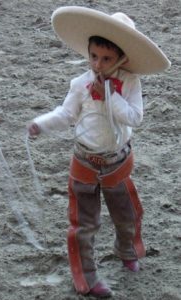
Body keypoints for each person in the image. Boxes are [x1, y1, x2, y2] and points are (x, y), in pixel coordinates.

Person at [27, 6, 170, 298]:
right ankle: (88, 277)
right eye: (93, 56)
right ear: (88, 52)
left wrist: (111, 95)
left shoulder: (130, 82)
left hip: (117, 160)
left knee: (127, 213)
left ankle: (126, 250)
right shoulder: (80, 84)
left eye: (106, 58)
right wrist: (40, 124)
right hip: (84, 161)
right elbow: (66, 114)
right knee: (83, 223)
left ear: (122, 58)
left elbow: (135, 118)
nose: (98, 64)